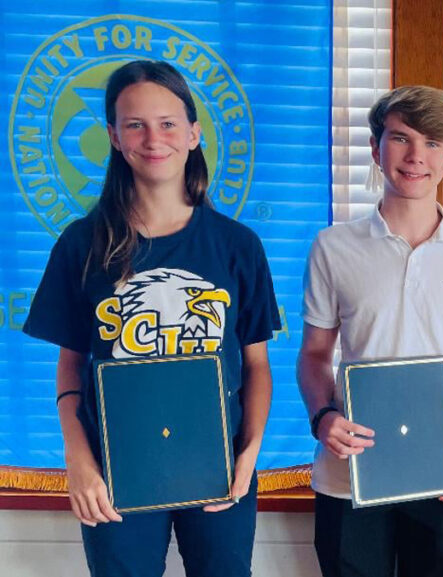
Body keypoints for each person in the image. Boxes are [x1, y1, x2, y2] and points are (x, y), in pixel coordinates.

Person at [22, 59, 281, 576]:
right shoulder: (81, 243)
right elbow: (72, 365)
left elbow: (255, 366)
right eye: (134, 124)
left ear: (193, 132)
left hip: (218, 467)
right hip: (116, 471)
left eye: (167, 123)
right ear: (114, 137)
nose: (152, 137)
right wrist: (78, 461)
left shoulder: (237, 246)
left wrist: (248, 456)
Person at [297, 85, 443, 577]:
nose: (416, 157)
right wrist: (323, 416)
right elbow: (312, 356)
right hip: (348, 474)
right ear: (376, 148)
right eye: (401, 138)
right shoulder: (333, 246)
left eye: (433, 144)